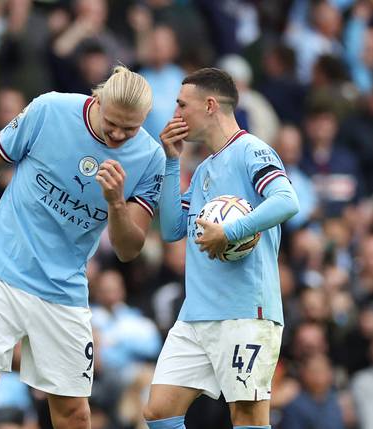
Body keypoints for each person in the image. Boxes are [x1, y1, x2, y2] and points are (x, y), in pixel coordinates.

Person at [0, 66, 165, 429]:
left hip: (63, 289)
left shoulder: (150, 159)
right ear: (97, 100)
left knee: (74, 414)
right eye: (113, 123)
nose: (118, 134)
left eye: (130, 128)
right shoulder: (50, 110)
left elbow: (128, 249)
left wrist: (117, 203)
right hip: (1, 269)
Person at [143, 68, 299, 429]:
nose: (176, 114)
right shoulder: (202, 170)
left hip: (245, 311)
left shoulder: (252, 150)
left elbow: (287, 200)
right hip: (197, 313)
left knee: (246, 416)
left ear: (210, 105)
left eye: (182, 105)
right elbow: (171, 230)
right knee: (159, 411)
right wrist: (171, 159)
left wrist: (230, 232)